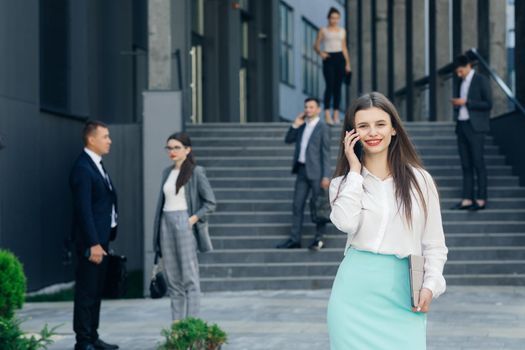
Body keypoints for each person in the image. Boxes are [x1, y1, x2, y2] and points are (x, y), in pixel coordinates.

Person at [327, 92, 448, 349]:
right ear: (352, 134)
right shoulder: (343, 184)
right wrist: (355, 171)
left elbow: (434, 244)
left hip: (403, 291)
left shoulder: (420, 181)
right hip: (354, 294)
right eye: (363, 126)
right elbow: (345, 223)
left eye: (380, 124)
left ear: (394, 129)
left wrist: (431, 285)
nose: (373, 132)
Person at [152, 132, 216, 322]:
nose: (172, 151)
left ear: (187, 150)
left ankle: (191, 329)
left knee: (190, 279)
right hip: (165, 223)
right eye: (169, 148)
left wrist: (192, 219)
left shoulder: (196, 172)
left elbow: (210, 202)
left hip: (184, 222)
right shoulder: (166, 172)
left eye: (177, 147)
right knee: (173, 279)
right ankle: (177, 330)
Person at [70, 121, 119, 350]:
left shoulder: (96, 165)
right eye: (105, 136)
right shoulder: (83, 168)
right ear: (92, 139)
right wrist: (94, 243)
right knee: (87, 292)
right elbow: (83, 209)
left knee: (96, 291)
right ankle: (83, 342)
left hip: (102, 240)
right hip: (92, 243)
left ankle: (93, 337)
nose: (109, 140)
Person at [276, 97, 331, 251]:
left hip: (317, 173)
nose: (308, 110)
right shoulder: (301, 126)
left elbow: (326, 153)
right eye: (306, 107)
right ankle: (295, 239)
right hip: (301, 171)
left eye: (311, 107)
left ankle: (319, 239)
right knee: (297, 205)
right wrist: (295, 124)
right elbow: (288, 139)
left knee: (318, 206)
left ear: (318, 109)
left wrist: (326, 175)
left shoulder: (323, 127)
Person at [450, 54, 492, 211]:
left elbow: (488, 104)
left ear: (468, 66)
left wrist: (466, 102)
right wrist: (457, 104)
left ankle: (481, 199)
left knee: (478, 162)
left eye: (460, 71)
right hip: (461, 125)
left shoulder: (481, 80)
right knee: (465, 164)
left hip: (476, 127)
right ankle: (467, 199)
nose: (459, 74)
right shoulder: (461, 82)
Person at [314, 7, 352, 126]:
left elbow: (344, 47)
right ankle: (326, 113)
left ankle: (336, 114)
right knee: (329, 85)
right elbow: (316, 45)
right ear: (328, 18)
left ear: (339, 19)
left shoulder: (342, 31)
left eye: (336, 18)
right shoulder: (323, 30)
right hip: (329, 58)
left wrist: (348, 64)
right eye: (332, 18)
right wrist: (321, 53)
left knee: (338, 87)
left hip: (340, 58)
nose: (334, 20)